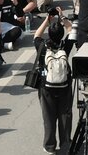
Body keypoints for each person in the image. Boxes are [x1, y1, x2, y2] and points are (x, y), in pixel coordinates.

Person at [33, 12, 73, 153]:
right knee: (65, 116)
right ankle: (65, 145)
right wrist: (63, 17)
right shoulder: (65, 46)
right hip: (64, 86)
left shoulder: (42, 46)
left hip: (46, 87)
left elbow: (36, 35)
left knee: (48, 117)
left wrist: (46, 20)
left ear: (49, 34)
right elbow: (71, 30)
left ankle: (50, 146)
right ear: (61, 34)